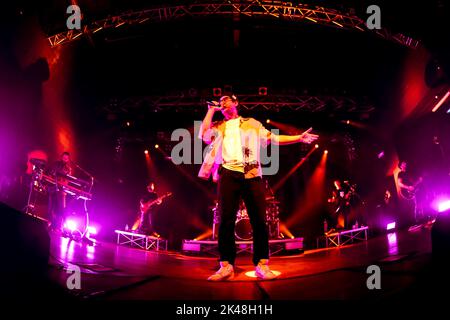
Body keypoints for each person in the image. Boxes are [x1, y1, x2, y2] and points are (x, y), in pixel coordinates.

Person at [198, 95, 318, 281]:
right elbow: (204, 136)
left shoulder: (252, 123)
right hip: (228, 172)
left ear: (236, 103)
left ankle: (262, 264)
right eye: (220, 101)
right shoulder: (218, 125)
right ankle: (226, 265)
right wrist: (211, 110)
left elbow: (274, 138)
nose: (223, 102)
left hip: (251, 173)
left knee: (259, 221)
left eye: (226, 99)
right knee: (226, 221)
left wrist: (299, 138)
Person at [47, 151, 72, 231]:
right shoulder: (56, 164)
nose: (65, 159)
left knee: (60, 209)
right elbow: (51, 173)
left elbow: (68, 180)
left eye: (66, 158)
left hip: (62, 191)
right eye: (64, 157)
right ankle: (50, 224)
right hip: (53, 188)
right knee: (51, 208)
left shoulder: (68, 169)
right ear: (61, 157)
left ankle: (57, 227)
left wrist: (63, 184)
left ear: (68, 159)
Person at [397, 160, 422, 227]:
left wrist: (418, 181)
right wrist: (407, 187)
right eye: (403, 163)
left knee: (416, 205)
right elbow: (399, 183)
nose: (405, 163)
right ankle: (411, 223)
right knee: (410, 207)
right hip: (405, 192)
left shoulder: (409, 173)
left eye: (405, 162)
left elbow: (413, 185)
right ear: (401, 166)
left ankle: (417, 221)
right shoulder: (400, 173)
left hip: (412, 192)